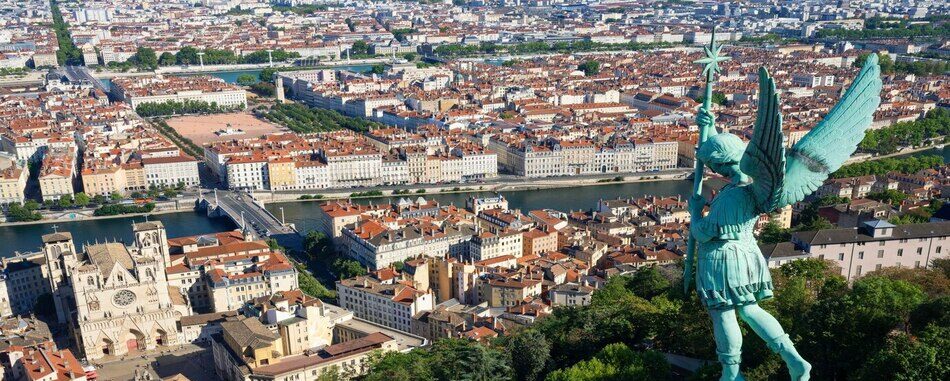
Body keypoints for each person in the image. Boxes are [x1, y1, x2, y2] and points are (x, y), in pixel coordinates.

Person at [688, 109, 811, 381]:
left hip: (722, 259)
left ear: (719, 165)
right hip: (747, 255)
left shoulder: (732, 197)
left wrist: (695, 211)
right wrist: (709, 128)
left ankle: (731, 374)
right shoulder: (751, 186)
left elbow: (703, 233)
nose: (712, 170)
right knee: (750, 309)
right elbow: (721, 150)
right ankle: (793, 358)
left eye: (712, 165)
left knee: (723, 314)